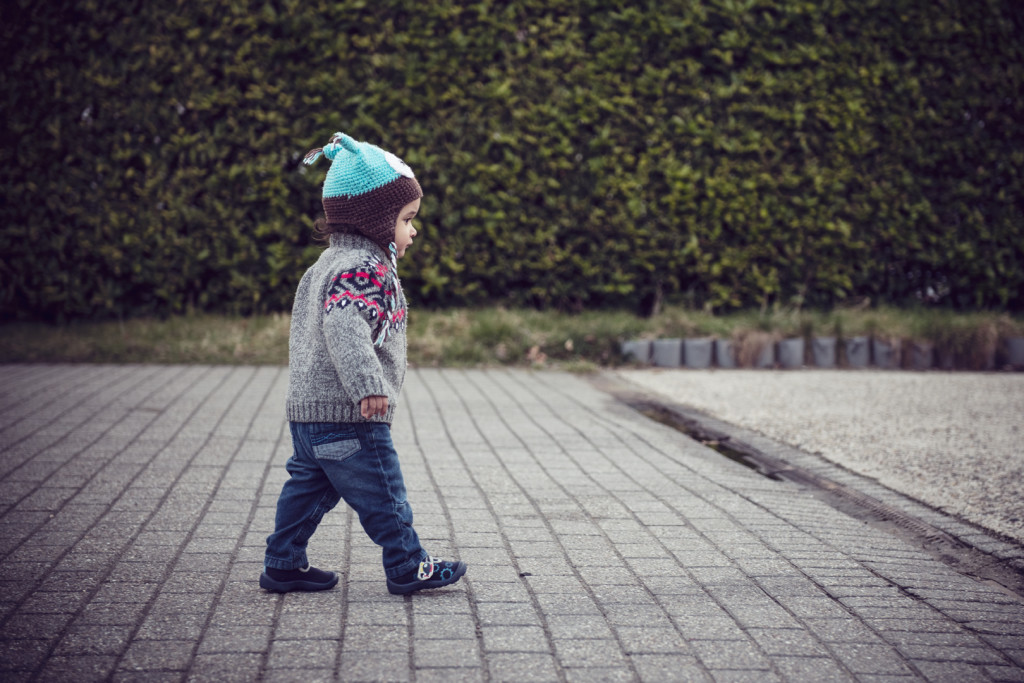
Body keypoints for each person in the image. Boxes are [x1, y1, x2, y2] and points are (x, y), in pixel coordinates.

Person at [260, 132, 466, 595]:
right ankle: (407, 564)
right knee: (383, 492)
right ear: (376, 220)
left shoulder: (326, 264)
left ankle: (283, 562)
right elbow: (345, 329)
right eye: (407, 219)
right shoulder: (363, 269)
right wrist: (368, 386)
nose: (413, 231)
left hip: (310, 415)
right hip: (351, 415)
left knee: (308, 490)